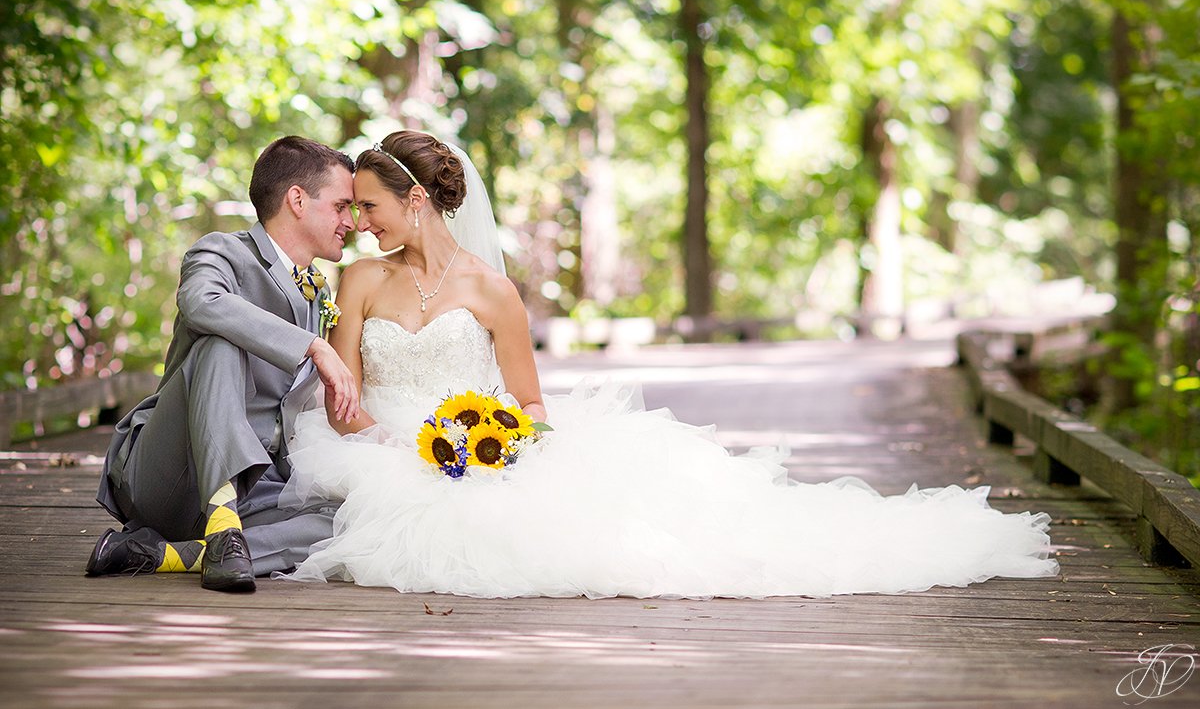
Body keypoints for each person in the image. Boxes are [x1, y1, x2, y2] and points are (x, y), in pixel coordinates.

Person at [278, 131, 1060, 599]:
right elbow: (343, 393)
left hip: (473, 452)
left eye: (371, 206)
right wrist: (393, 444)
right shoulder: (362, 279)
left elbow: (531, 404)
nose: (359, 222)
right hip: (383, 450)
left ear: (415, 202)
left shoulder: (493, 293)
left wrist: (494, 444)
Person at [89, 136, 362, 592]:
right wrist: (314, 345)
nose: (350, 222)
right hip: (172, 475)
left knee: (352, 518)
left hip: (255, 487)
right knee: (219, 343)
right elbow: (201, 302)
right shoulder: (221, 251)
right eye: (340, 206)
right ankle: (218, 519)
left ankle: (173, 554)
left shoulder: (319, 291)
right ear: (297, 199)